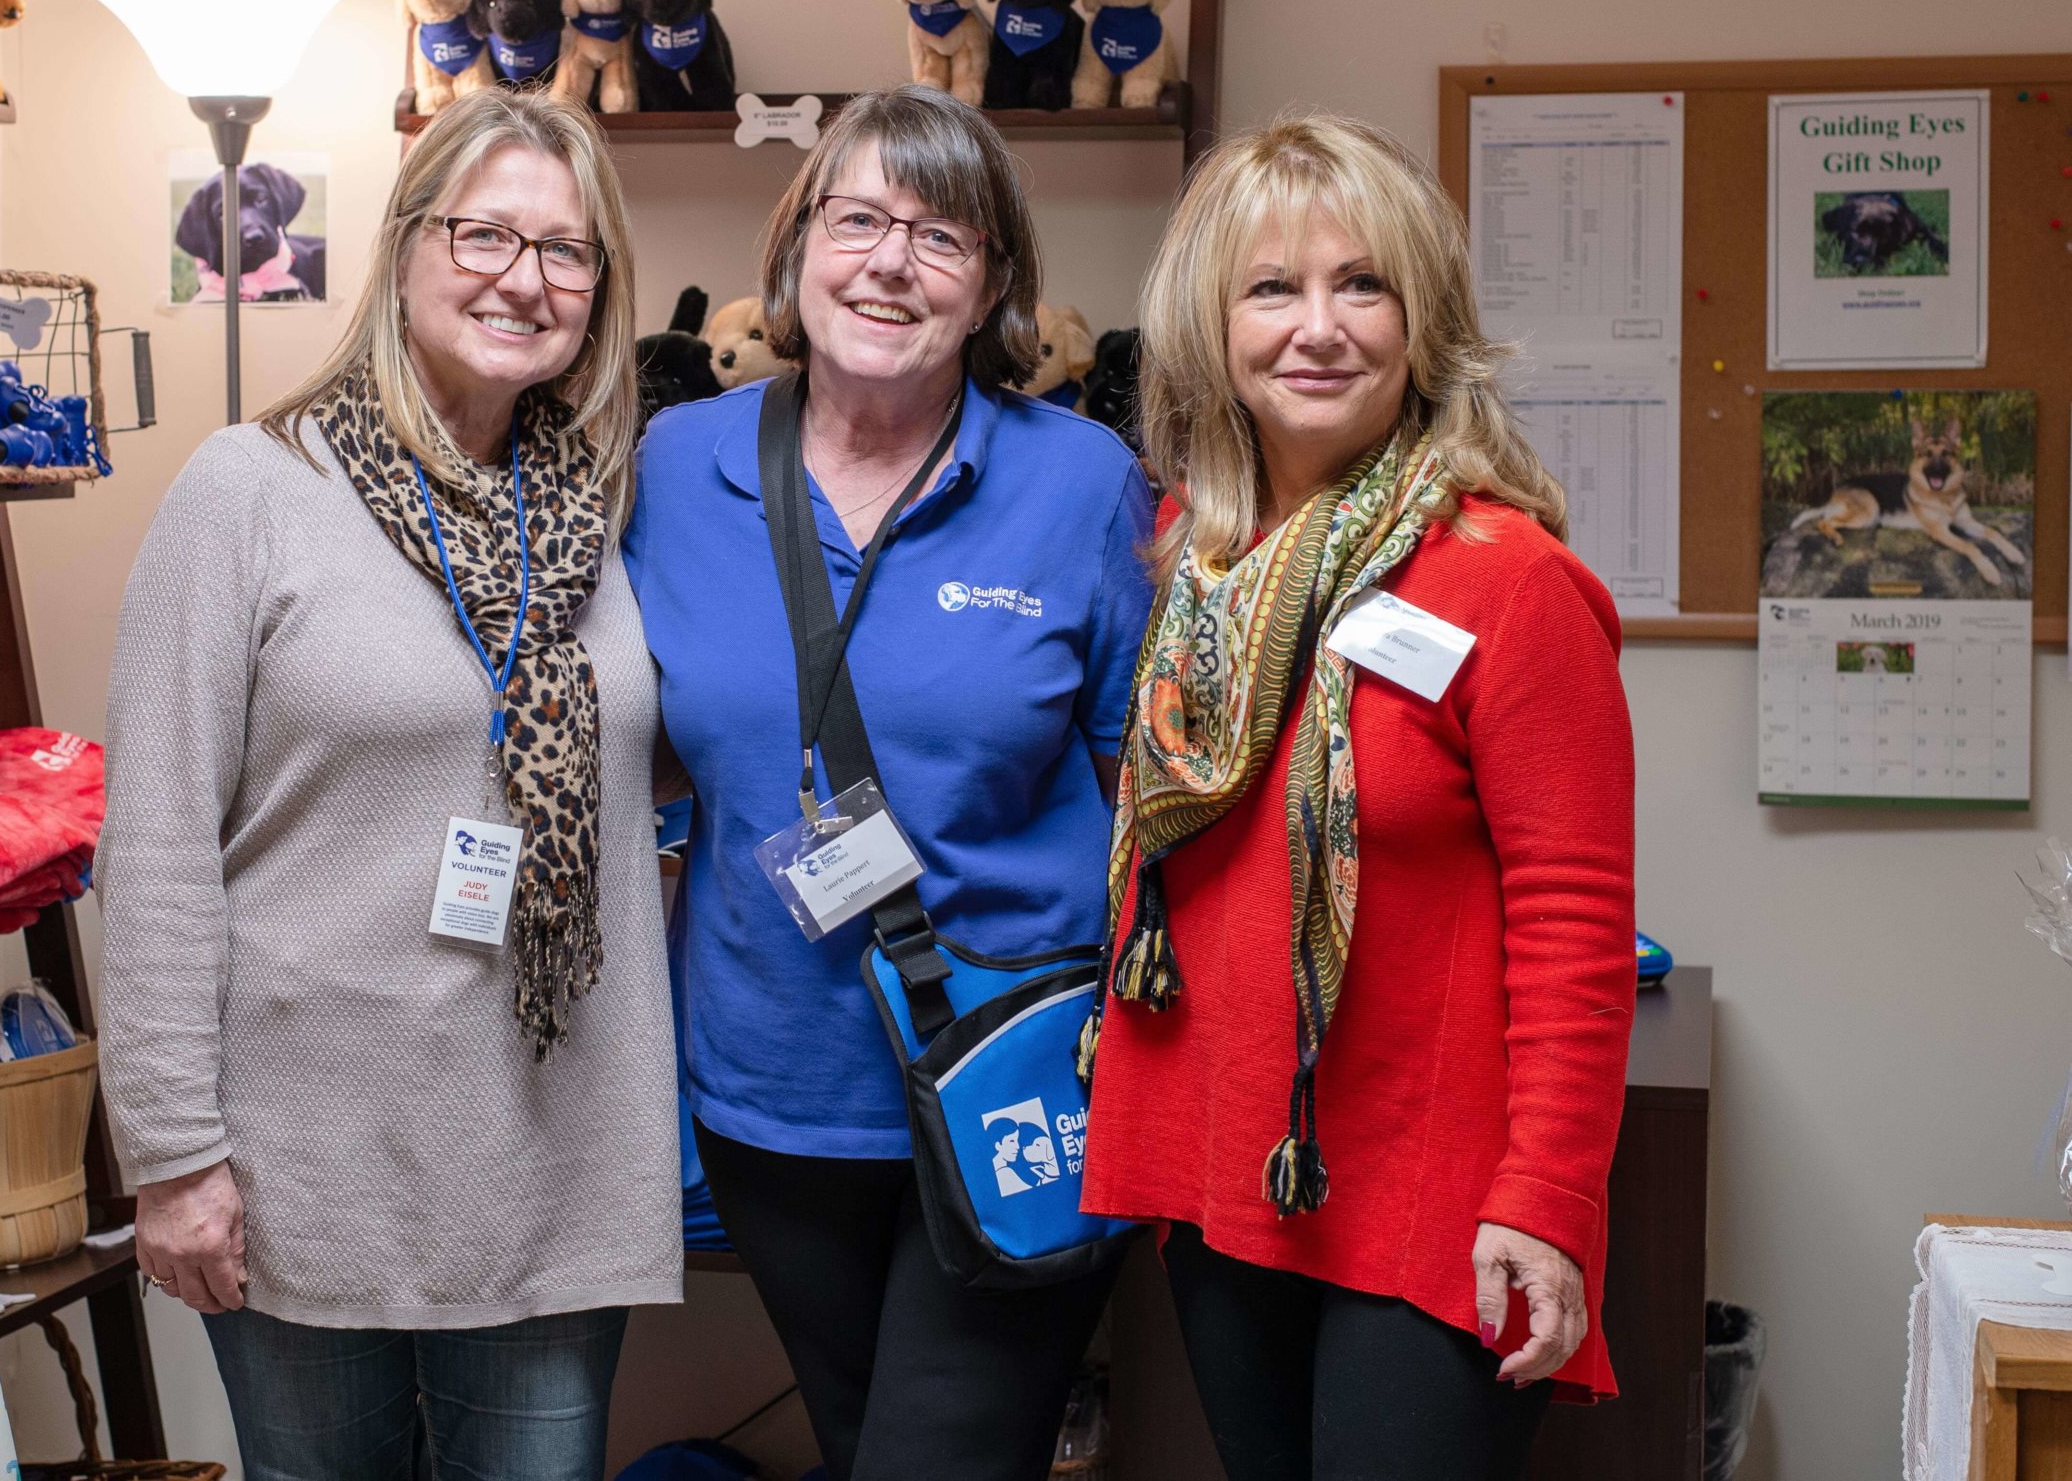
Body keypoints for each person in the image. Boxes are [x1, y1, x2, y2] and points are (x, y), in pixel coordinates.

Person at [98, 89, 678, 1481]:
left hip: (554, 1156)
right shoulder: (249, 489)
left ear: (600, 293)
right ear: (406, 243)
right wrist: (173, 1153)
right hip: (310, 1165)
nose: (523, 278)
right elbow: (158, 838)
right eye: (487, 233)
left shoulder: (608, 508)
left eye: (566, 252)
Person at [1076, 112, 1636, 1481]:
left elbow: (1578, 920)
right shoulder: (1195, 564)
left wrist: (1551, 1197)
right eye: (1273, 288)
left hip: (1433, 1194)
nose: (1316, 327)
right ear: (1216, 326)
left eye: (1360, 284)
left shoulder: (1504, 579)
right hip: (1232, 1178)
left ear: (1421, 319)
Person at [623, 84, 1155, 1481]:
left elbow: (1148, 796)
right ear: (796, 248)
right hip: (769, 1094)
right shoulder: (675, 467)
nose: (890, 261)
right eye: (857, 218)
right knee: (870, 1447)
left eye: (942, 235)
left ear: (993, 288)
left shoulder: (1080, 481)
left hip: (1015, 1073)